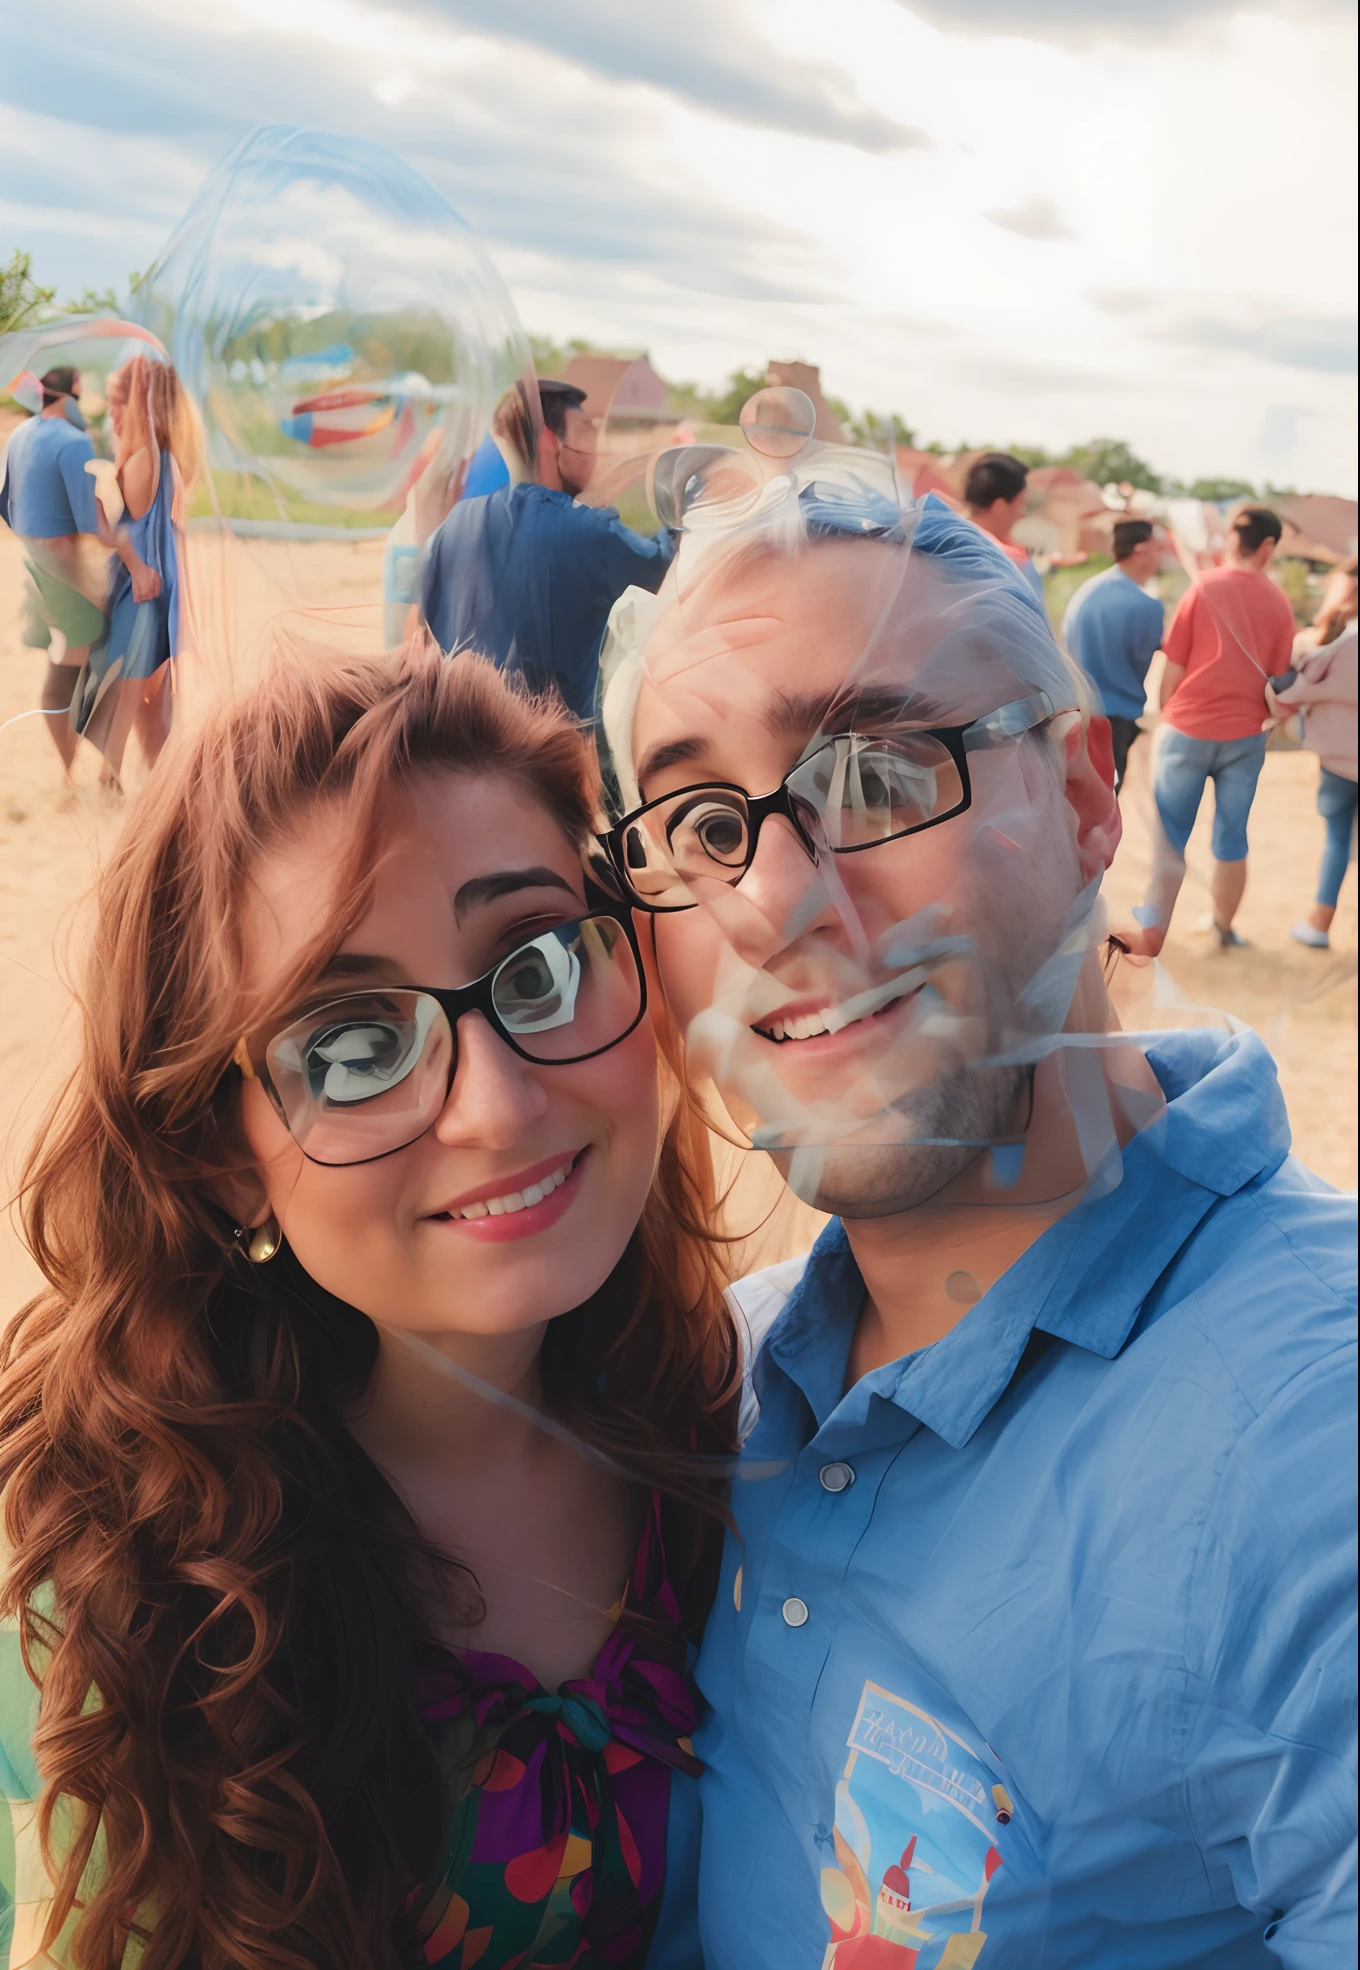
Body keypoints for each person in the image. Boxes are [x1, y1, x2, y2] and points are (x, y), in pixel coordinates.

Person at [599, 443, 1356, 1968]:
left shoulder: (1309, 1456)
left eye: (876, 777)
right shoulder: (731, 1375)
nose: (774, 902)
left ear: (1087, 797)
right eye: (700, 829)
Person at [0, 640, 737, 1965]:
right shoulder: (107, 1596)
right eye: (351, 1045)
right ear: (223, 1159)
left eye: (541, 964)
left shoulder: (748, 1425)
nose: (498, 1107)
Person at [420, 377, 674, 721]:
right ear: (549, 443)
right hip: (557, 750)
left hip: (467, 735)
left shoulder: (454, 524)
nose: (596, 447)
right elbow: (662, 569)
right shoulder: (587, 530)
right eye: (586, 431)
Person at [1134, 503, 1295, 951]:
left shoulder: (1202, 588)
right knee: (1231, 836)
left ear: (1232, 539)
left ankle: (1153, 933)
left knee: (1170, 837)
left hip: (1187, 728)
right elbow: (1279, 678)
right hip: (1245, 734)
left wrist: (1169, 712)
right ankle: (1224, 929)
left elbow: (1174, 665)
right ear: (1267, 546)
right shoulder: (1279, 602)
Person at [73, 354, 201, 778]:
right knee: (152, 689)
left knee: (130, 684)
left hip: (140, 583)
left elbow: (125, 532)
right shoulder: (167, 456)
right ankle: (157, 777)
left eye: (117, 403)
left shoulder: (141, 457)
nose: (111, 412)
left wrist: (94, 503)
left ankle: (110, 776)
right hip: (161, 580)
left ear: (138, 404)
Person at [0, 366, 108, 776]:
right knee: (85, 672)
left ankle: (72, 772)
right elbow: (88, 524)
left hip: (37, 568)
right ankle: (87, 773)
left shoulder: (21, 434)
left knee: (63, 668)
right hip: (68, 571)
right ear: (68, 397)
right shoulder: (75, 441)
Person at [1273, 557, 1358, 948]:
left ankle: (1320, 924)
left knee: (1338, 839)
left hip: (1342, 763)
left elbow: (1297, 688)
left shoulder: (1339, 643)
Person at [1060, 518, 1166, 788]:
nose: (1161, 558)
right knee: (1106, 802)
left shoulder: (1086, 592)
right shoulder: (1147, 606)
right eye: (1158, 549)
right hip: (1115, 719)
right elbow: (1151, 654)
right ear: (1141, 550)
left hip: (1073, 711)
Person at [963, 451, 1045, 611]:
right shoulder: (1012, 562)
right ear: (999, 506)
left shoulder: (936, 543)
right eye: (1021, 506)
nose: (1022, 515)